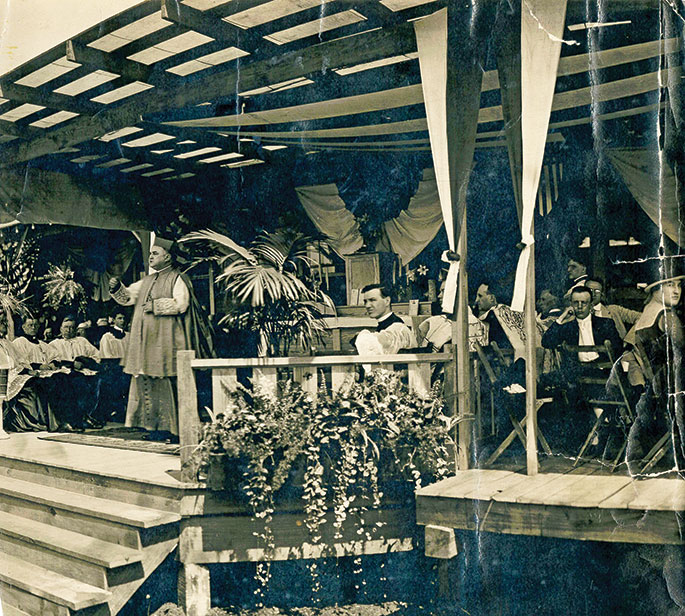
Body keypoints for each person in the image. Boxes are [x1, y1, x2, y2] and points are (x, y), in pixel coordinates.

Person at [109, 237, 211, 440]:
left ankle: (173, 431)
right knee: (147, 382)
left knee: (166, 385)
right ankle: (152, 428)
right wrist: (116, 288)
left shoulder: (177, 278)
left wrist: (156, 306)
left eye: (155, 253)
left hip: (167, 343)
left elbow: (181, 304)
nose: (151, 256)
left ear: (168, 256)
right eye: (150, 253)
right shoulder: (147, 280)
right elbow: (128, 297)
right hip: (146, 344)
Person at [626, 257, 685, 475]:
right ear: (655, 289)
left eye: (678, 284)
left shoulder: (645, 316)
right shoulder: (666, 316)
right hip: (674, 388)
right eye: (670, 284)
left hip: (661, 388)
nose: (676, 290)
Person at [46, 316, 101, 431]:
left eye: (72, 327)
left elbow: (97, 356)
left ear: (76, 329)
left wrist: (83, 360)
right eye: (66, 327)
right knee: (74, 382)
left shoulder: (82, 341)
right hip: (65, 371)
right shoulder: (54, 344)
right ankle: (76, 419)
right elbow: (52, 360)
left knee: (98, 380)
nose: (69, 330)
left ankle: (87, 415)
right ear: (61, 329)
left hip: (84, 370)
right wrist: (71, 364)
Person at [0, 312, 49, 432]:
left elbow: (20, 360)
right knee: (30, 386)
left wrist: (27, 371)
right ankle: (28, 422)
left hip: (14, 373)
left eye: (5, 322)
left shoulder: (6, 342)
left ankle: (40, 421)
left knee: (39, 382)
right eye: (2, 322)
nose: (5, 325)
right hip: (3, 375)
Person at [354, 284, 416, 355]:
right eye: (365, 301)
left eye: (372, 300)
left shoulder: (398, 327)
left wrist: (360, 336)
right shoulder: (385, 324)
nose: (367, 305)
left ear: (387, 301)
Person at [96, 310, 130, 423]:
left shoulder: (129, 336)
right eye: (120, 318)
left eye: (124, 318)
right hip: (114, 369)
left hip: (127, 368)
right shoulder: (107, 337)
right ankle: (115, 411)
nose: (123, 321)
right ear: (114, 320)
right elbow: (106, 357)